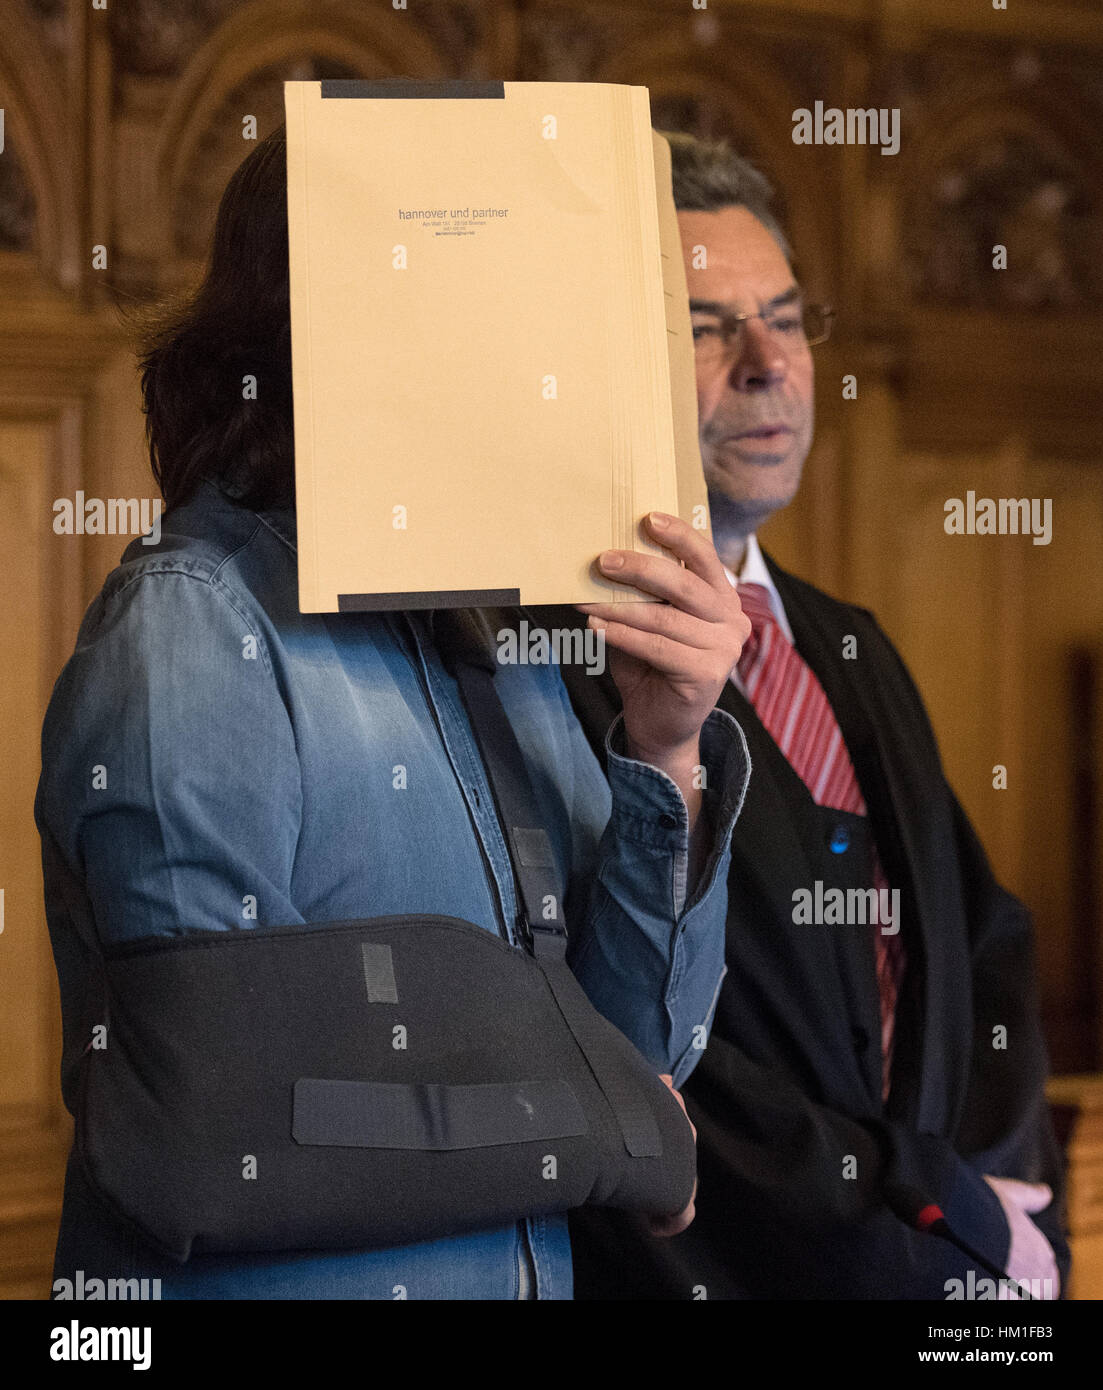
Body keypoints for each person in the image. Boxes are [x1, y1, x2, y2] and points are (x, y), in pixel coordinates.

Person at [34, 126, 753, 1300]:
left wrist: (665, 749)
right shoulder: (190, 630)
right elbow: (225, 1123)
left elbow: (639, 1053)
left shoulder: (503, 639)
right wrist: (608, 1124)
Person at [556, 132, 1070, 1299]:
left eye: (783, 318)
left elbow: (980, 946)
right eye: (704, 325)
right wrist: (917, 1230)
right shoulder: (560, 661)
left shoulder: (850, 644)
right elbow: (646, 1058)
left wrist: (993, 1209)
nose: (765, 364)